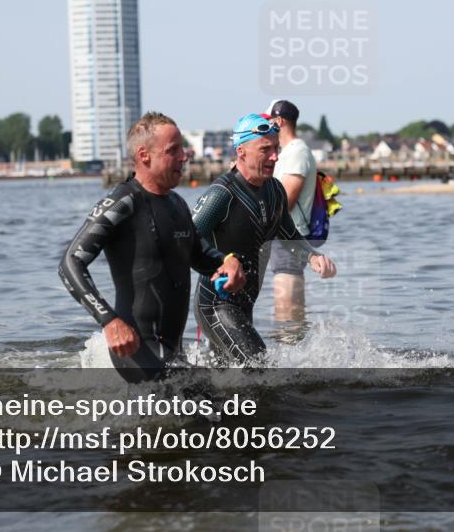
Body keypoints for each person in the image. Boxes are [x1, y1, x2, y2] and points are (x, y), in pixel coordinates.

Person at [59, 112, 244, 382]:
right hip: (135, 347)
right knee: (207, 410)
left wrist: (228, 260)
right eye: (173, 150)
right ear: (144, 155)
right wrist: (109, 322)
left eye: (183, 149)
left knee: (228, 403)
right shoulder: (123, 202)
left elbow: (199, 255)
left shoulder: (178, 204)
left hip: (172, 351)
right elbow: (70, 263)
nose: (184, 156)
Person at [191, 114, 337, 364]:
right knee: (261, 367)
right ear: (242, 152)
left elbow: (290, 235)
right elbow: (185, 242)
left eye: (276, 148)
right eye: (265, 149)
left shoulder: (275, 191)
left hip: (244, 306)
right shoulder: (222, 194)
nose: (275, 156)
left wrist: (313, 256)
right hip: (216, 305)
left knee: (225, 379)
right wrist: (222, 261)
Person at [264, 100, 318, 321]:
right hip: (280, 236)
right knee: (285, 313)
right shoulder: (285, 152)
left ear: (279, 121)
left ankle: (293, 351)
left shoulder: (297, 152)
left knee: (288, 314)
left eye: (268, 122)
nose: (265, 127)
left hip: (290, 235)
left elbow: (287, 201)